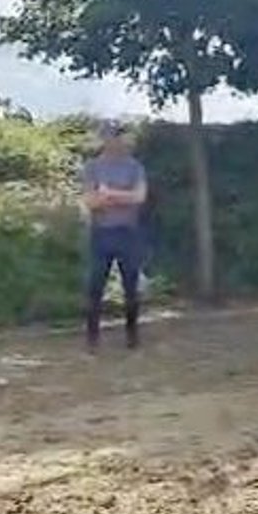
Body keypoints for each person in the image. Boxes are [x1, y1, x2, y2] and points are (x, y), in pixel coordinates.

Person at [80, 121, 148, 350]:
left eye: (118, 137)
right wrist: (121, 197)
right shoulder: (93, 167)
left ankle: (132, 335)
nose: (114, 141)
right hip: (101, 232)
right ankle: (92, 337)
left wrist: (109, 194)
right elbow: (90, 201)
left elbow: (139, 197)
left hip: (128, 232)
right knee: (95, 285)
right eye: (110, 137)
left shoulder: (134, 167)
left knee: (131, 284)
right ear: (103, 139)